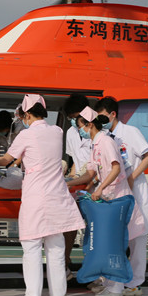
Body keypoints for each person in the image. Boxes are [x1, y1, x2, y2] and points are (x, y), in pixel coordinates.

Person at [0, 94, 86, 296]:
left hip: (36, 197)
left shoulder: (26, 135)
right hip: (58, 196)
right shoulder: (57, 131)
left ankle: (33, 295)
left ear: (27, 114)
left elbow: (6, 160)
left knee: (32, 246)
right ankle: (57, 295)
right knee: (56, 247)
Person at [67, 107, 146, 296]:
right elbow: (90, 173)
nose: (80, 132)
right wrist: (67, 182)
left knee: (115, 245)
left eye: (81, 127)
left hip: (117, 199)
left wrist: (100, 188)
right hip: (108, 201)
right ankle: (110, 285)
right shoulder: (95, 144)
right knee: (108, 243)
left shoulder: (106, 142)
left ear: (89, 125)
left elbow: (115, 168)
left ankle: (116, 289)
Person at [94, 97, 148, 296]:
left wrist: (132, 177)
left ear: (112, 114)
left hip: (135, 190)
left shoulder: (130, 132)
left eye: (103, 116)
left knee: (137, 240)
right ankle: (111, 281)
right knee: (115, 239)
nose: (101, 121)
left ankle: (134, 283)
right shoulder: (105, 136)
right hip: (116, 193)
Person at [61, 93, 93, 277]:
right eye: (71, 119)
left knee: (93, 230)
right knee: (69, 224)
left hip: (95, 185)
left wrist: (76, 181)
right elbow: (75, 160)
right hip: (79, 184)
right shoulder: (71, 133)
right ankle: (65, 262)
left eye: (75, 118)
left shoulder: (98, 131)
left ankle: (93, 267)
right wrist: (70, 178)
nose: (74, 122)